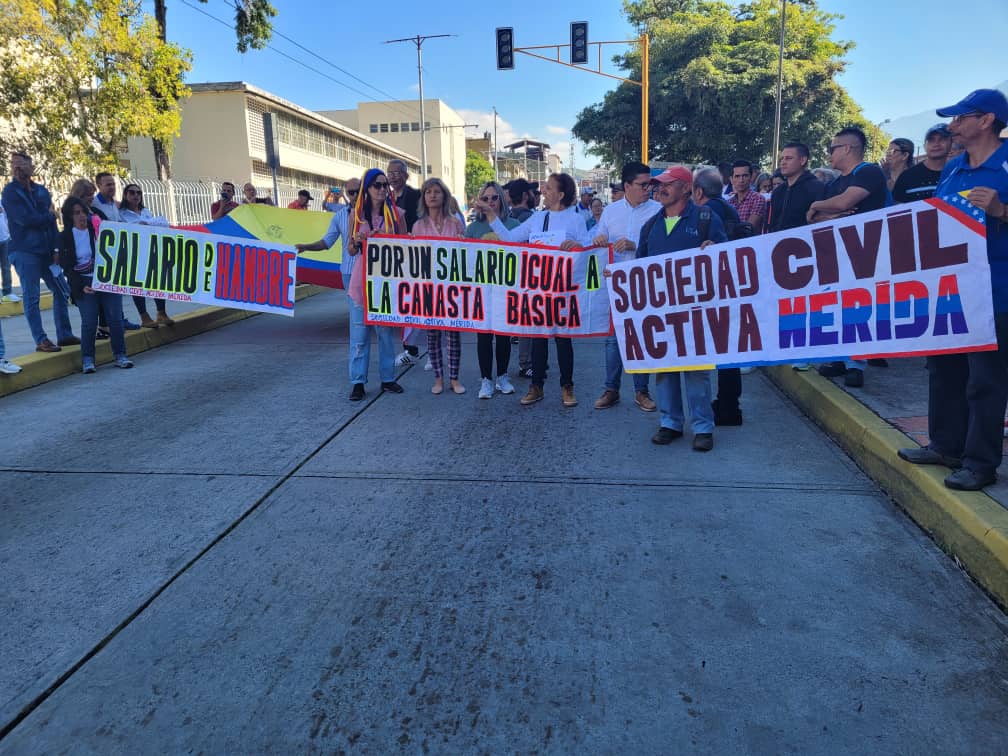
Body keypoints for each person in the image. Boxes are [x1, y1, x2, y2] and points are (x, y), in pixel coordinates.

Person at [897, 88, 1008, 491]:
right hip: (950, 290)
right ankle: (946, 444)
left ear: (987, 120)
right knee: (943, 370)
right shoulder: (955, 168)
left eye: (961, 118)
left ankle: (980, 463)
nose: (952, 125)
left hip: (996, 292)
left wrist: (1002, 211)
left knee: (984, 381)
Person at [475, 172, 591, 407]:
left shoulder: (576, 220)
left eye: (548, 188)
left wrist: (579, 246)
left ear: (560, 194)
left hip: (565, 291)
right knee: (539, 339)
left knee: (563, 340)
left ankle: (567, 387)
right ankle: (536, 386)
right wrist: (491, 216)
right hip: (540, 290)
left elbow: (590, 248)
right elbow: (510, 238)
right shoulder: (539, 219)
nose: (543, 192)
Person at [635, 167, 727, 452]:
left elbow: (728, 255)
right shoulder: (650, 226)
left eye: (667, 184)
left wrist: (716, 247)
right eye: (657, 185)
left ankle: (702, 426)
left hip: (696, 311)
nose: (659, 189)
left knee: (697, 370)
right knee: (664, 368)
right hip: (661, 312)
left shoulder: (705, 218)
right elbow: (639, 267)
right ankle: (670, 423)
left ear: (686, 188)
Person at [808, 126, 889, 388]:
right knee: (835, 305)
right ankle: (838, 359)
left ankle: (856, 363)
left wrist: (818, 205)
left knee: (859, 306)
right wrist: (824, 211)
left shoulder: (868, 171)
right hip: (836, 252)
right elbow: (815, 219)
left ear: (847, 148)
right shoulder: (833, 183)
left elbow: (844, 203)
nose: (829, 153)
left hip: (865, 250)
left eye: (832, 148)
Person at [590, 160, 660, 412]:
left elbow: (660, 245)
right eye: (643, 184)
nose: (647, 189)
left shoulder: (657, 210)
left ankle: (642, 391)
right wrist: (598, 238)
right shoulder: (611, 211)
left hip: (644, 282)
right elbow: (598, 239)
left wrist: (635, 245)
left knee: (641, 337)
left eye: (649, 184)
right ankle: (611, 389)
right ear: (627, 185)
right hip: (616, 283)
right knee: (613, 339)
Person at [2, 152, 77, 353]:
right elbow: (24, 219)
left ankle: (64, 334)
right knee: (31, 296)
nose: (19, 168)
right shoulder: (10, 192)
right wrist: (47, 216)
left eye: (23, 164)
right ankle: (41, 339)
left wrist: (55, 247)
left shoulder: (41, 191)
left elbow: (51, 221)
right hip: (24, 250)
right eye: (16, 165)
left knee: (61, 289)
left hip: (47, 250)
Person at [345, 168, 406, 400]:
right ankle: (358, 382)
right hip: (360, 285)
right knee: (359, 337)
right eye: (376, 185)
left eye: (384, 186)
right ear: (367, 189)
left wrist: (388, 240)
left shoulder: (397, 214)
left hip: (386, 285)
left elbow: (406, 249)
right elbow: (350, 251)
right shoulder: (356, 216)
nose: (382, 189)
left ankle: (388, 379)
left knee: (386, 336)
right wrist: (358, 241)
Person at [692, 167, 746, 425]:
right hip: (732, 285)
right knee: (729, 349)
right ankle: (729, 403)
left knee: (719, 349)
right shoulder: (728, 208)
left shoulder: (706, 213)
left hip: (715, 288)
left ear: (698, 191)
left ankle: (724, 407)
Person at [58, 196, 133, 373]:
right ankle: (88, 360)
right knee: (89, 322)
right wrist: (79, 286)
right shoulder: (65, 237)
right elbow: (67, 266)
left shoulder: (99, 228)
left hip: (106, 279)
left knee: (115, 319)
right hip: (84, 282)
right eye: (76, 213)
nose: (82, 216)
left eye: (84, 211)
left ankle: (121, 355)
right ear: (69, 216)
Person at [412, 177, 467, 395]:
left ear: (444, 195)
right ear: (423, 197)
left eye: (437, 191)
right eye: (428, 192)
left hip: (451, 288)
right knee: (432, 334)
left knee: (453, 335)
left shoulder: (455, 223)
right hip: (428, 288)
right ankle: (438, 378)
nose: (432, 195)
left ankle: (454, 378)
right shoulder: (418, 226)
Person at [466, 181, 518, 399]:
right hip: (482, 290)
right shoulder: (473, 228)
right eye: (485, 199)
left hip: (506, 289)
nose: (490, 202)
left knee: (504, 336)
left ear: (501, 200)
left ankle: (502, 377)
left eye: (494, 198)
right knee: (484, 336)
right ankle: (486, 379)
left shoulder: (514, 224)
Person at [119, 183, 174, 329]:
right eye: (132, 192)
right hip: (133, 253)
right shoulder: (121, 214)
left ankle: (161, 312)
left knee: (158, 281)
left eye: (138, 193)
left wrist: (148, 223)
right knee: (137, 284)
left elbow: (159, 225)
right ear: (125, 195)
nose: (135, 195)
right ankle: (144, 316)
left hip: (151, 249)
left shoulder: (145, 211)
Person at [295, 177, 359, 288]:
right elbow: (326, 242)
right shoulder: (339, 215)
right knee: (356, 306)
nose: (355, 195)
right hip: (349, 272)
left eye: (358, 191)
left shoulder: (375, 212)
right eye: (351, 192)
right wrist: (306, 247)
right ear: (347, 194)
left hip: (371, 272)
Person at [769, 142, 825, 233]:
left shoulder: (816, 187)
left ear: (803, 160)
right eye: (782, 159)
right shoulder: (777, 191)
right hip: (779, 243)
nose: (783, 162)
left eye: (789, 158)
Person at [893, 124, 952, 204]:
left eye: (942, 139)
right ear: (925, 145)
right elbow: (896, 210)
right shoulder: (907, 176)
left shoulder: (958, 173)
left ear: (951, 143)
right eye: (931, 140)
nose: (936, 144)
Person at [727, 160, 768, 229]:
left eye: (745, 176)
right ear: (731, 180)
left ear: (751, 177)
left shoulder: (758, 199)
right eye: (737, 176)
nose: (741, 180)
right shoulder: (729, 202)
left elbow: (749, 228)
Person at [387, 159, 420, 231]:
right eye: (389, 174)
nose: (392, 177)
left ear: (406, 176)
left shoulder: (416, 196)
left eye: (396, 173)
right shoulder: (386, 197)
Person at [0, 197, 17, 302]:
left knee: (6, 267)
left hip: (5, 238)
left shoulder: (2, 203)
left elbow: (7, 218)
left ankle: (7, 292)